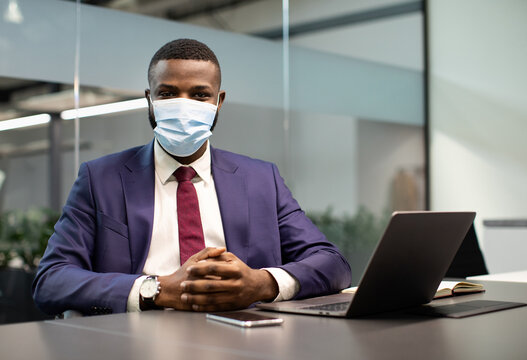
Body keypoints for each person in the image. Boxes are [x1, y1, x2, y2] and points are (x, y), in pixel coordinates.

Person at [32, 39, 351, 316]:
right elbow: (51, 280)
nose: (184, 107)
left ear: (218, 102)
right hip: (136, 341)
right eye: (168, 94)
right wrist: (155, 290)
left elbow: (332, 264)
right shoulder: (100, 179)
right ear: (150, 100)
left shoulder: (261, 179)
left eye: (200, 95)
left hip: (245, 340)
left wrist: (260, 284)